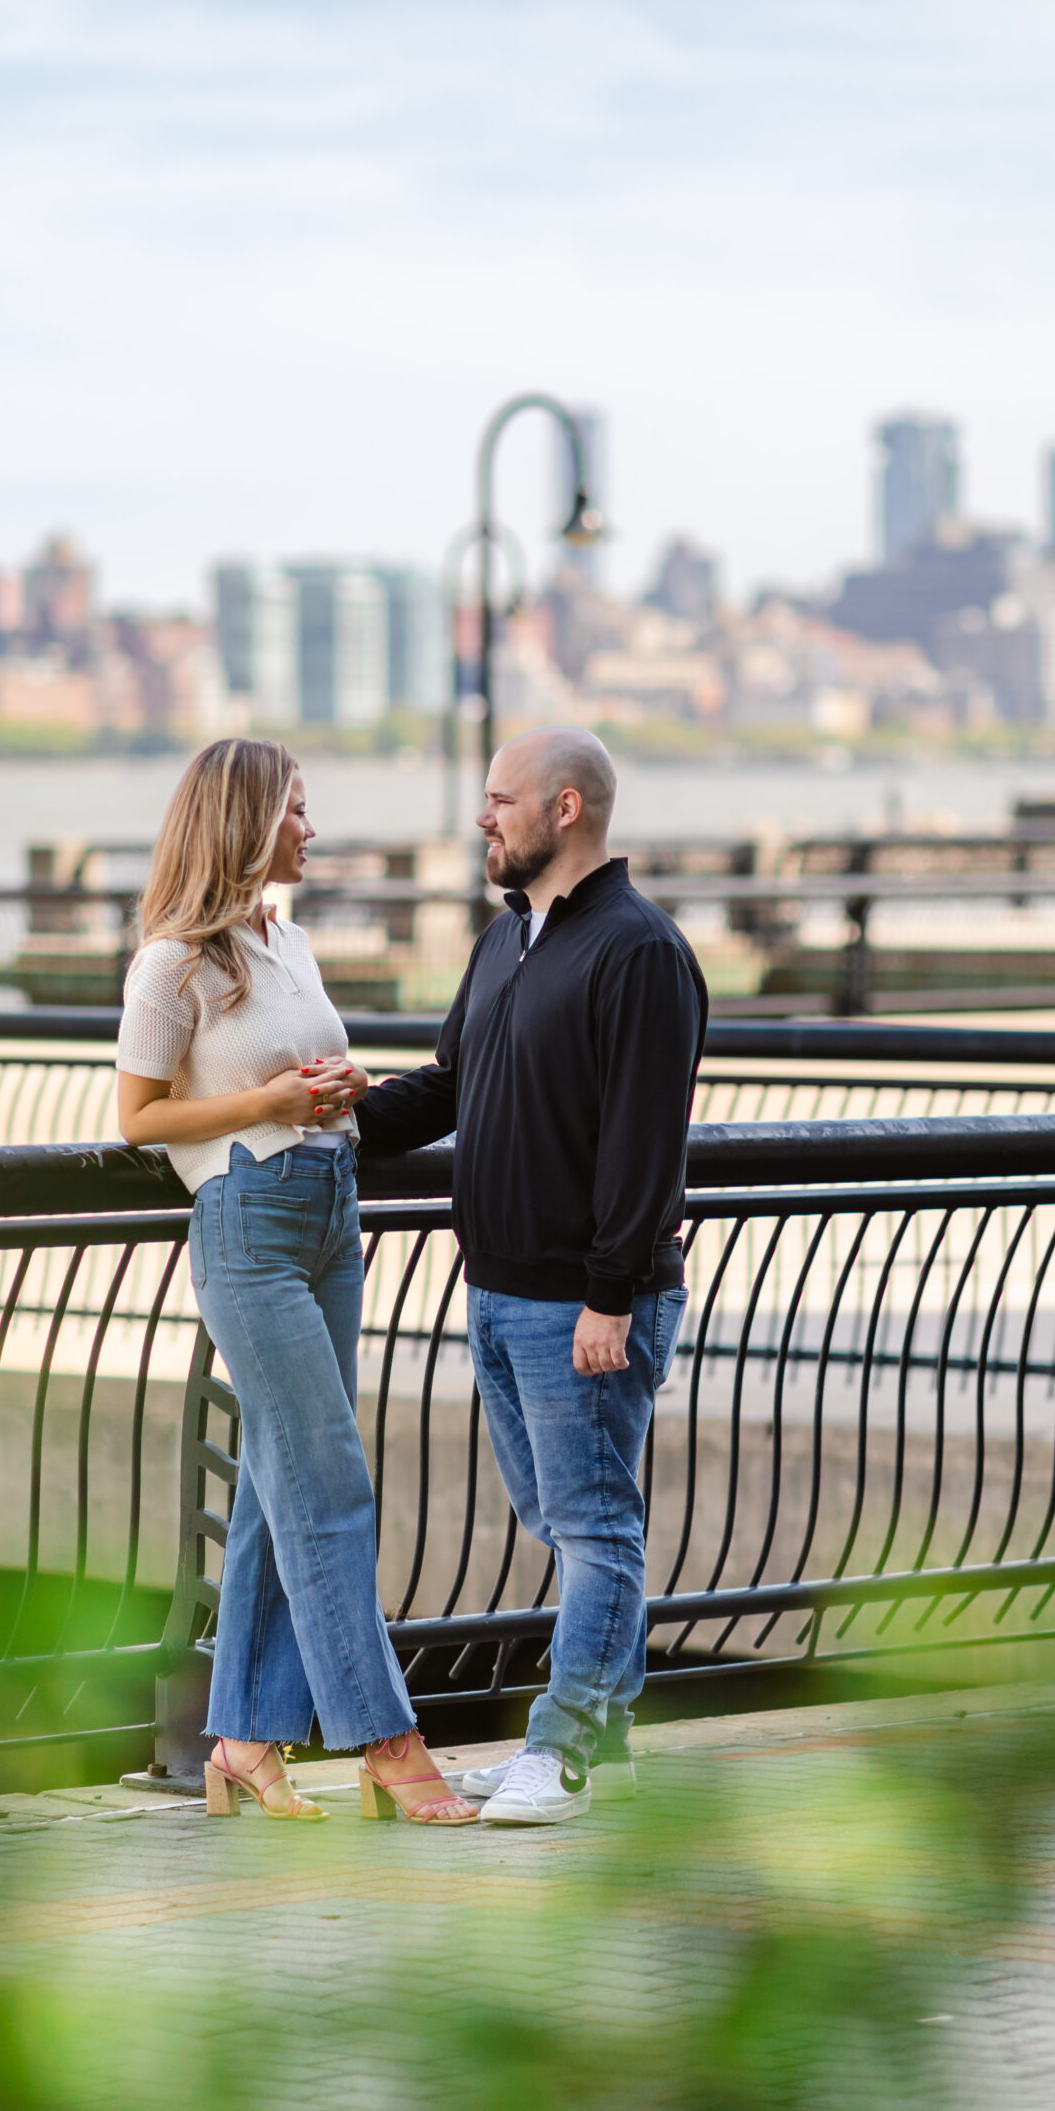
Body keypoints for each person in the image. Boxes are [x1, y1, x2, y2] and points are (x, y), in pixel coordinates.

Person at [116, 738, 476, 1827]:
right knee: (327, 1482)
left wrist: (342, 1088)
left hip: (332, 1212)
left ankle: (240, 1739)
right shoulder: (169, 962)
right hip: (248, 1223)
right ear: (244, 820)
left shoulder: (291, 941)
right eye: (296, 812)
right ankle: (388, 1739)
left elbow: (311, 1085)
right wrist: (266, 1105)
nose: (311, 831)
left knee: (284, 1484)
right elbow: (139, 1118)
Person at [355, 727, 707, 1825]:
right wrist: (327, 1121)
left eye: (499, 799)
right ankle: (612, 1744)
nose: (482, 818)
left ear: (565, 808)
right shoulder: (507, 941)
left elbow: (645, 1144)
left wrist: (610, 1295)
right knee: (568, 1522)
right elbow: (454, 1084)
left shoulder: (639, 950)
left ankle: (556, 1752)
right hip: (499, 1289)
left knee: (597, 1527)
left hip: (584, 1302)